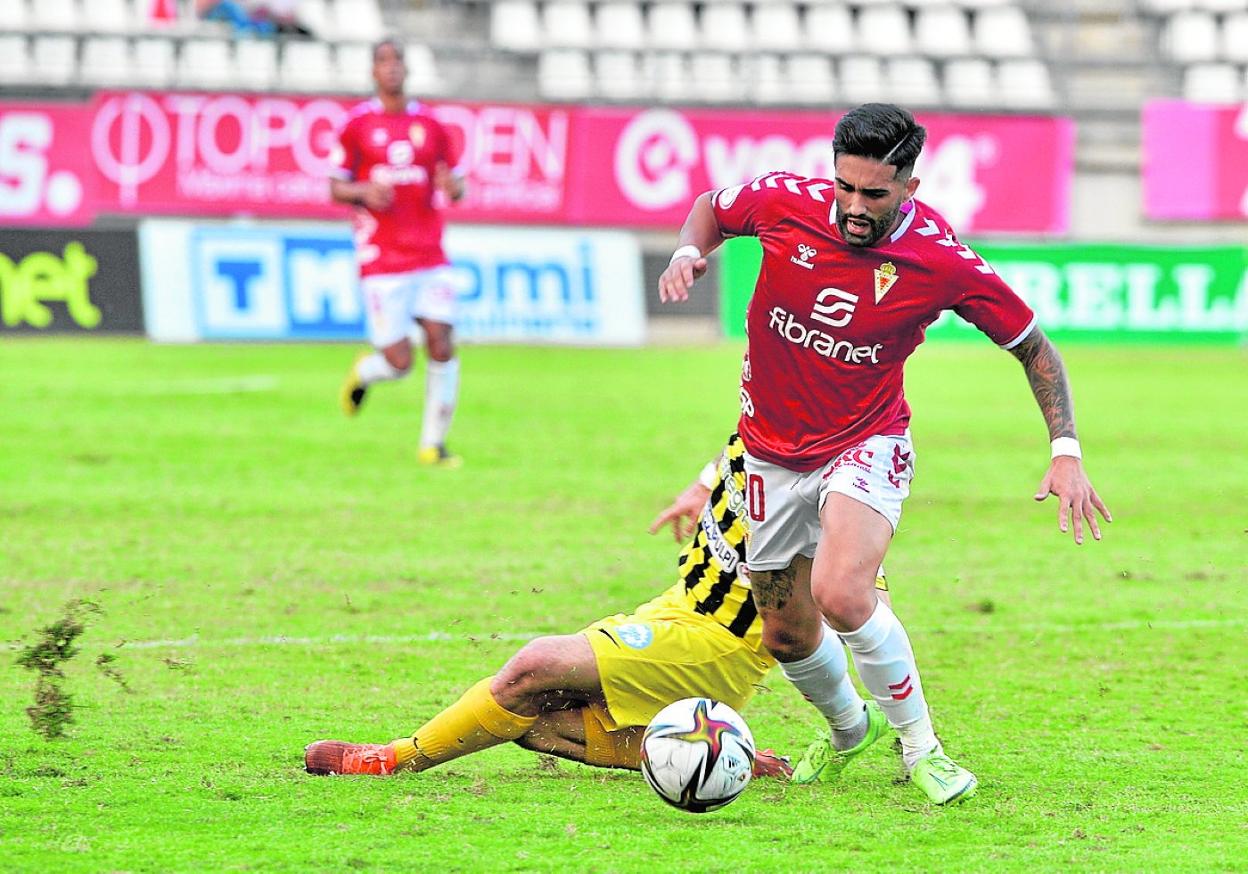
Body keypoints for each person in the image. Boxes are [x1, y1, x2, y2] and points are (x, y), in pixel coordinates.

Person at [658, 103, 1111, 805]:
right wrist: (691, 251)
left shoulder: (939, 259)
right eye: (845, 187)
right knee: (783, 633)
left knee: (841, 592)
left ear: (910, 187)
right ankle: (848, 729)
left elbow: (1032, 344)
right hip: (769, 452)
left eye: (873, 193)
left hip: (866, 441)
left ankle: (924, 750)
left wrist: (1066, 449)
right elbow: (709, 209)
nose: (853, 207)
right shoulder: (785, 203)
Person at [304, 434, 892, 779]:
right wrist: (701, 484)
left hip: (718, 645)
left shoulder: (843, 459)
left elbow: (850, 581)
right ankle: (714, 752)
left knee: (532, 668)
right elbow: (741, 444)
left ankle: (388, 761)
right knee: (535, 719)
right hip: (675, 607)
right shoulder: (773, 392)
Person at [331, 39, 467, 468]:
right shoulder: (357, 126)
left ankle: (433, 445)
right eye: (382, 61)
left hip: (430, 254)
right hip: (383, 259)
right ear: (373, 72)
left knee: (442, 342)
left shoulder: (432, 125)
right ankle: (366, 370)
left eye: (397, 61)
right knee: (399, 362)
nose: (391, 68)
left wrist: (453, 188)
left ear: (407, 69)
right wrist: (363, 191)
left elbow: (456, 182)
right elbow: (335, 186)